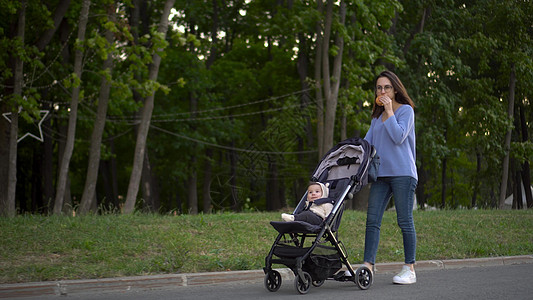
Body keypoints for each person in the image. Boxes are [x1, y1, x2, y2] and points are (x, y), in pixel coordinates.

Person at [362, 70, 418, 284]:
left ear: (395, 90)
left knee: (404, 220)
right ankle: (368, 265)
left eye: (386, 87)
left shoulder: (406, 111)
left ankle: (409, 268)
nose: (382, 91)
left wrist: (389, 111)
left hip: (403, 174)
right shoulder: (376, 118)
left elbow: (398, 137)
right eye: (379, 88)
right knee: (372, 220)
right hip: (381, 175)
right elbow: (367, 144)